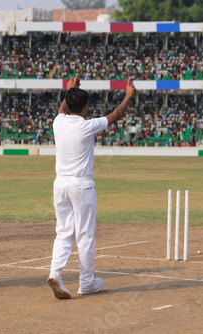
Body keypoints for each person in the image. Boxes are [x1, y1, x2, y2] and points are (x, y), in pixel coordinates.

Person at [47, 75, 136, 299]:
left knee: (63, 233)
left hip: (60, 184)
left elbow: (61, 110)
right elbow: (116, 115)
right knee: (85, 235)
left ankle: (55, 273)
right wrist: (128, 97)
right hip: (81, 185)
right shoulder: (87, 125)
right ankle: (86, 282)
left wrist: (69, 90)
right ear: (86, 107)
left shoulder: (58, 122)